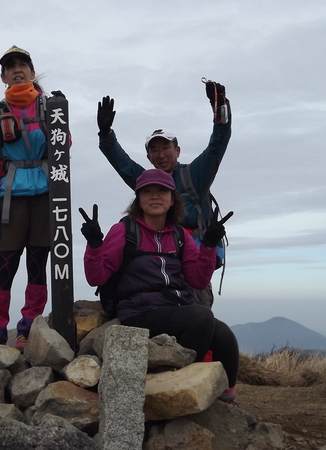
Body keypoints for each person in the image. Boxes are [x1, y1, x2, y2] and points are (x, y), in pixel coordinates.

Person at [80, 169, 239, 401]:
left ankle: (226, 402)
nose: (155, 196)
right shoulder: (124, 231)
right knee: (202, 318)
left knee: (224, 335)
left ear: (173, 199)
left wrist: (208, 246)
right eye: (147, 191)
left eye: (162, 191)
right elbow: (97, 277)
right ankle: (180, 389)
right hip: (139, 313)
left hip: (174, 310)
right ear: (139, 199)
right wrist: (95, 245)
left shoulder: (180, 235)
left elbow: (198, 280)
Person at [96, 80, 231, 306]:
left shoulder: (194, 175)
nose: (160, 155)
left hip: (191, 263)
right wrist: (106, 134)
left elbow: (217, 145)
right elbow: (124, 165)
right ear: (148, 157)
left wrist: (220, 109)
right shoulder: (146, 182)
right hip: (156, 264)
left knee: (196, 320)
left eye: (166, 148)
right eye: (154, 150)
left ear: (177, 150)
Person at [0, 45, 61, 349]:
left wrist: (59, 111)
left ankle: (28, 328)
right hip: (10, 197)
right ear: (2, 76)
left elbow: (64, 148)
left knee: (38, 264)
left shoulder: (50, 108)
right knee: (6, 265)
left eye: (22, 64)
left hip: (44, 196)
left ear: (31, 70)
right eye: (10, 66)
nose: (17, 69)